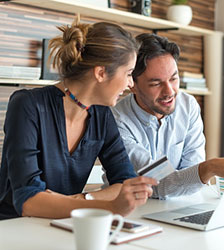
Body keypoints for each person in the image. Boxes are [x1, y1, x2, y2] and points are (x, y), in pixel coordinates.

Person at [0, 18, 157, 220]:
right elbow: (28, 200)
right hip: (14, 229)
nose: (130, 84)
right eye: (128, 73)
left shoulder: (102, 115)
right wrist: (111, 208)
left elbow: (125, 182)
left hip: (65, 224)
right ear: (101, 73)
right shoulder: (28, 105)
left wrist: (84, 200)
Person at [111, 33, 224, 199]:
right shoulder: (117, 120)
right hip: (129, 211)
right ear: (132, 84)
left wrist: (202, 171)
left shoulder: (187, 106)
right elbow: (158, 183)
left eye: (173, 78)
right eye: (156, 83)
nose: (169, 91)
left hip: (179, 204)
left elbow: (192, 171)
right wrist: (211, 167)